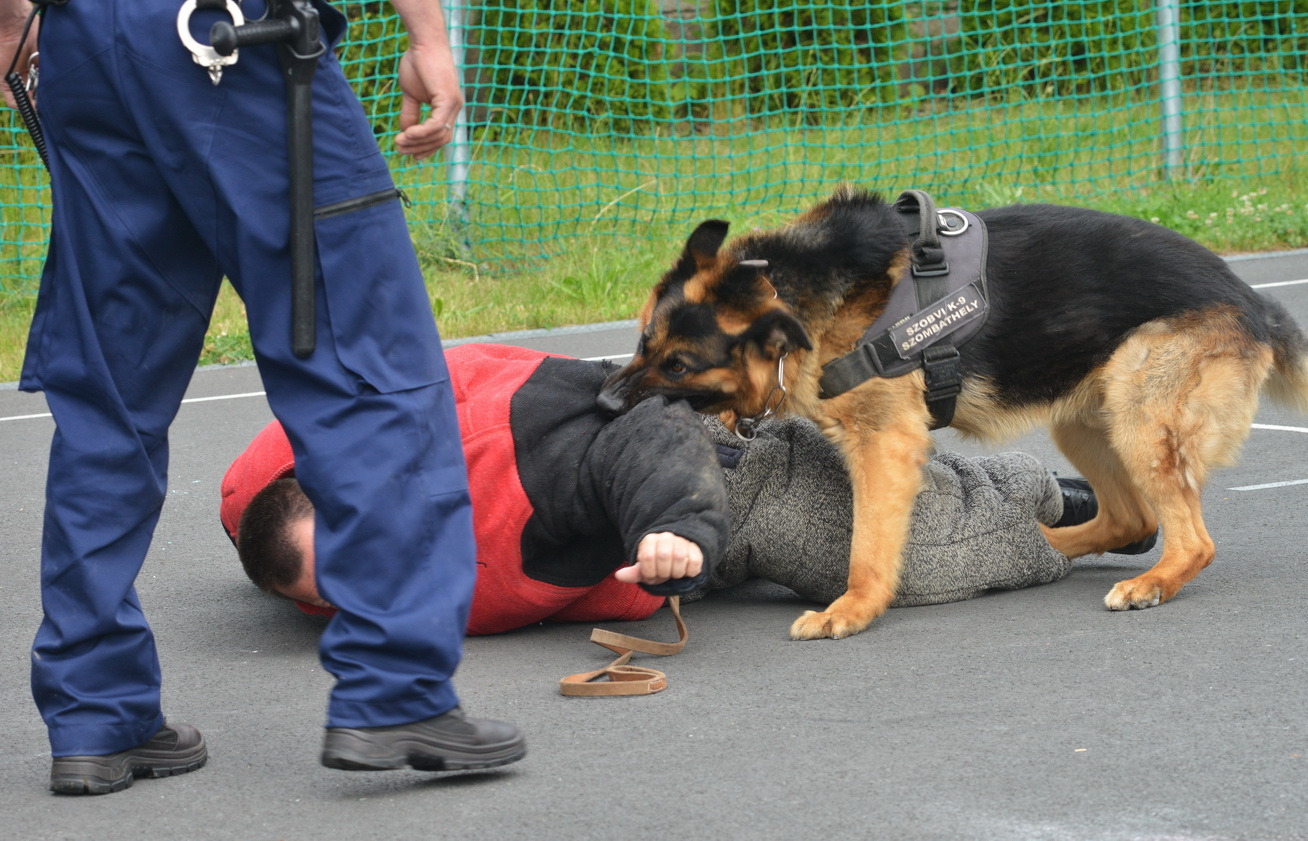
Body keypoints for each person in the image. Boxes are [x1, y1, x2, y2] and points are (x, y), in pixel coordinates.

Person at [1, 0, 523, 795]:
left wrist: (14, 32)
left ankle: (94, 713)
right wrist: (426, 33)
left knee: (107, 396)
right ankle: (396, 688)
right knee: (364, 360)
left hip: (85, 43)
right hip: (226, 38)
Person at [223, 343, 1154, 632]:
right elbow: (258, 512)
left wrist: (676, 532)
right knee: (909, 477)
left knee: (913, 558)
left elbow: (645, 441)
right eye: (327, 597)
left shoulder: (526, 481)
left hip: (738, 486)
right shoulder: (285, 502)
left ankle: (1069, 525)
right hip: (706, 433)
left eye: (354, 565)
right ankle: (1027, 481)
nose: (361, 597)